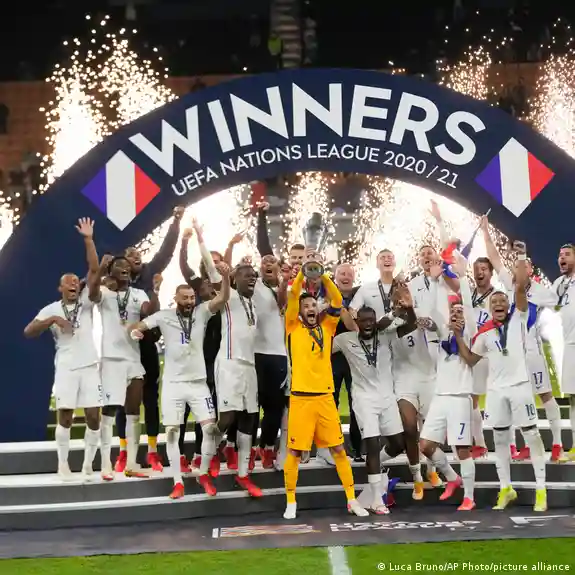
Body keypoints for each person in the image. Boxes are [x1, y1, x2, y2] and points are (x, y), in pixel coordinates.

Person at [456, 245, 547, 512]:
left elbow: (519, 287)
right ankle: (506, 488)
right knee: (500, 440)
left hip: (520, 387)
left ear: (509, 306)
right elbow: (470, 359)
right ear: (489, 307)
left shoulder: (519, 318)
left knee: (531, 436)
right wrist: (457, 335)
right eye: (493, 303)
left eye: (501, 302)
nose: (497, 304)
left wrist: (521, 257)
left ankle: (541, 489)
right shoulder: (484, 332)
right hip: (495, 391)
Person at [129, 263, 230, 498]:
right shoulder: (164, 316)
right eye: (184, 298)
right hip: (173, 385)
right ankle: (177, 482)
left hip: (198, 384)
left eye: (192, 297)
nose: (189, 301)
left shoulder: (202, 312)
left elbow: (223, 298)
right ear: (175, 298)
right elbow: (140, 325)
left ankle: (203, 473)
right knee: (173, 432)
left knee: (210, 430)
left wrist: (225, 278)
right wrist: (135, 332)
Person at [283, 268, 368, 520]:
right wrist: (303, 274)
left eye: (313, 305)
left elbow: (337, 301)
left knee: (339, 450)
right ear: (300, 312)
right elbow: (293, 294)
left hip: (325, 399)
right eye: (306, 306)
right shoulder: (292, 326)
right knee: (294, 453)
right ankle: (291, 501)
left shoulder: (327, 327)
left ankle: (351, 500)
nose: (310, 308)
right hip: (301, 398)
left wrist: (323, 276)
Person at [24, 218, 102, 481]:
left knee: (93, 418)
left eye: (75, 282)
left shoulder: (86, 301)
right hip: (67, 367)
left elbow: (94, 269)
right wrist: (52, 321)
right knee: (65, 417)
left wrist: (88, 239)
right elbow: (28, 331)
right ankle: (63, 464)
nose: (73, 284)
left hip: (90, 365)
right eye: (68, 282)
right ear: (60, 288)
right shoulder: (51, 309)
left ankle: (88, 465)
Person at [483, 217, 565, 462]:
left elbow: (562, 301)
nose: (519, 269)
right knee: (520, 398)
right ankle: (528, 444)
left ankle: (558, 444)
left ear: (530, 270)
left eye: (524, 266)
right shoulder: (509, 286)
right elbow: (495, 259)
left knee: (545, 395)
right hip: (513, 355)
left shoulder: (541, 292)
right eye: (517, 266)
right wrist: (486, 230)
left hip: (532, 353)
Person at [116, 205, 184, 472]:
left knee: (150, 396)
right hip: (123, 347)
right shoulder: (114, 281)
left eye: (138, 254)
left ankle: (153, 451)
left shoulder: (148, 272)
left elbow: (166, 250)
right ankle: (123, 451)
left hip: (146, 341)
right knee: (124, 397)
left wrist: (176, 221)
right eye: (130, 255)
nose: (136, 256)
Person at [333, 303, 408, 514]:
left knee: (398, 444)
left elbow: (408, 324)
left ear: (376, 322)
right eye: (363, 321)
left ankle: (376, 464)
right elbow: (320, 346)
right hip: (364, 399)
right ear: (356, 322)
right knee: (372, 445)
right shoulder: (345, 340)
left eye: (371, 321)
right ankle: (376, 500)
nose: (367, 324)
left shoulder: (386, 336)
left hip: (387, 397)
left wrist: (400, 311)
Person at [421, 251, 477, 511]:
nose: (455, 314)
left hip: (460, 397)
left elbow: (469, 307)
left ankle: (469, 497)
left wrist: (463, 278)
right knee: (425, 445)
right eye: (453, 311)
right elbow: (432, 310)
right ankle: (452, 478)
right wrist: (434, 281)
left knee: (462, 449)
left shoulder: (471, 333)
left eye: (459, 311)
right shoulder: (444, 333)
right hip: (440, 397)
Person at [97, 255, 161, 480]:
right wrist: (100, 270)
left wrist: (156, 290)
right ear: (111, 271)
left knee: (134, 411)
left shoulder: (138, 294)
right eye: (119, 265)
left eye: (126, 266)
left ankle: (132, 464)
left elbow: (149, 310)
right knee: (109, 411)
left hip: (133, 359)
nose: (124, 267)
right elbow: (91, 291)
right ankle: (106, 465)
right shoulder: (104, 292)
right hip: (111, 359)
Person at [212, 263, 263, 496]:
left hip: (249, 366)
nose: (252, 278)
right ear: (235, 279)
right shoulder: (228, 296)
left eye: (254, 276)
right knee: (227, 418)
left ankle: (243, 475)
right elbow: (212, 274)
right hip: (229, 364)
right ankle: (209, 453)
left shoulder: (253, 304)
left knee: (250, 419)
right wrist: (223, 273)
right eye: (247, 275)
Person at [178, 220, 223, 472]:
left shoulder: (224, 288)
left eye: (215, 262)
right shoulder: (197, 284)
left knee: (207, 408)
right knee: (184, 407)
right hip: (191, 355)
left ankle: (200, 454)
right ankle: (179, 455)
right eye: (208, 261)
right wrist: (186, 240)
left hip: (214, 358)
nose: (211, 264)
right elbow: (183, 265)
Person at [332, 263, 362, 462]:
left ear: (353, 277)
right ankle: (334, 447)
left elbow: (358, 326)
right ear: (335, 277)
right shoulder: (327, 296)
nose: (345, 277)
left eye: (349, 274)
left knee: (356, 402)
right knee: (330, 402)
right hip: (332, 356)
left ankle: (357, 448)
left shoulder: (361, 297)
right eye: (341, 273)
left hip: (354, 357)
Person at [468, 254, 495, 459]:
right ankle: (480, 443)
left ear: (491, 272)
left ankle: (512, 445)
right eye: (476, 269)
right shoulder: (468, 295)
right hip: (473, 353)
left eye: (484, 269)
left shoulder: (498, 296)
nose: (479, 272)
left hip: (492, 354)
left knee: (501, 397)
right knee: (471, 398)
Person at [552, 243, 575, 461]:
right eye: (560, 255)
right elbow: (543, 300)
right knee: (573, 398)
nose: (562, 258)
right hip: (570, 345)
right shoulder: (559, 284)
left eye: (567, 254)